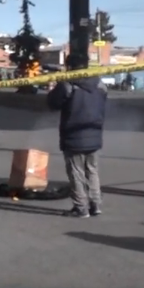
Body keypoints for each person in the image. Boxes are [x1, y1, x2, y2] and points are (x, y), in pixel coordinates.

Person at [46, 53, 107, 218]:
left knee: (76, 173)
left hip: (73, 135)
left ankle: (81, 208)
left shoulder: (67, 84)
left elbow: (53, 104)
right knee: (92, 170)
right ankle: (96, 204)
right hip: (94, 134)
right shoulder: (100, 84)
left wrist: (52, 87)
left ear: (69, 67)